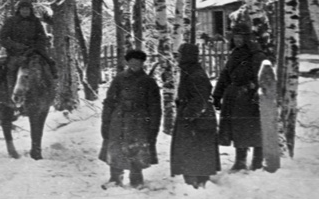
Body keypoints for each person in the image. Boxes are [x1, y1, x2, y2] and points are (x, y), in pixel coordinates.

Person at [99, 48, 161, 189]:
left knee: (136, 149)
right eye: (131, 62)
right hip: (119, 119)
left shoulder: (148, 82)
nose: (134, 65)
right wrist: (106, 121)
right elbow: (109, 101)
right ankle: (115, 178)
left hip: (139, 122)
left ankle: (136, 180)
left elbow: (155, 107)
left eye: (137, 62)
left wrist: (153, 127)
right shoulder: (119, 79)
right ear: (127, 63)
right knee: (116, 148)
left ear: (142, 63)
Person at [213, 21, 267, 171]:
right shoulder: (235, 53)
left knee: (254, 130)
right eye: (235, 37)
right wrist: (217, 95)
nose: (237, 40)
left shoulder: (256, 55)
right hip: (235, 98)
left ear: (247, 38)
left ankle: (257, 161)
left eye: (240, 37)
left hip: (249, 99)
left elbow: (263, 77)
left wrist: (256, 90)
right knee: (237, 130)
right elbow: (225, 75)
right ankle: (240, 161)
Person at [169, 43, 221, 188]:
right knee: (193, 151)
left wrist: (187, 115)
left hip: (199, 122)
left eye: (180, 55)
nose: (177, 58)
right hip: (196, 120)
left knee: (197, 151)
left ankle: (199, 184)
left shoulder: (195, 74)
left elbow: (200, 100)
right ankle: (195, 181)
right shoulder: (188, 71)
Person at [0, 0, 49, 84]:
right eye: (23, 9)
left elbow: (41, 36)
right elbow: (3, 38)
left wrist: (38, 45)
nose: (25, 11)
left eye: (27, 9)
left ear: (30, 10)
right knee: (12, 70)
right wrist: (15, 46)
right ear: (19, 10)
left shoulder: (35, 21)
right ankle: (12, 91)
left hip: (34, 51)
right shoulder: (11, 21)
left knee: (48, 66)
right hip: (15, 53)